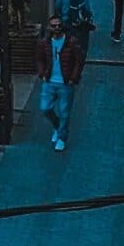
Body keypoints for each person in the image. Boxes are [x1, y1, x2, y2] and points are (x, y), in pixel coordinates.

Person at [34, 14, 84, 152]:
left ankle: (62, 137)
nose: (56, 28)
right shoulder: (44, 43)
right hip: (49, 81)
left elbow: (79, 61)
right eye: (53, 26)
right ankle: (57, 127)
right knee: (45, 108)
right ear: (49, 27)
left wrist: (73, 78)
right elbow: (39, 58)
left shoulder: (71, 42)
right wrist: (42, 73)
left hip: (65, 83)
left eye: (59, 26)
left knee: (64, 112)